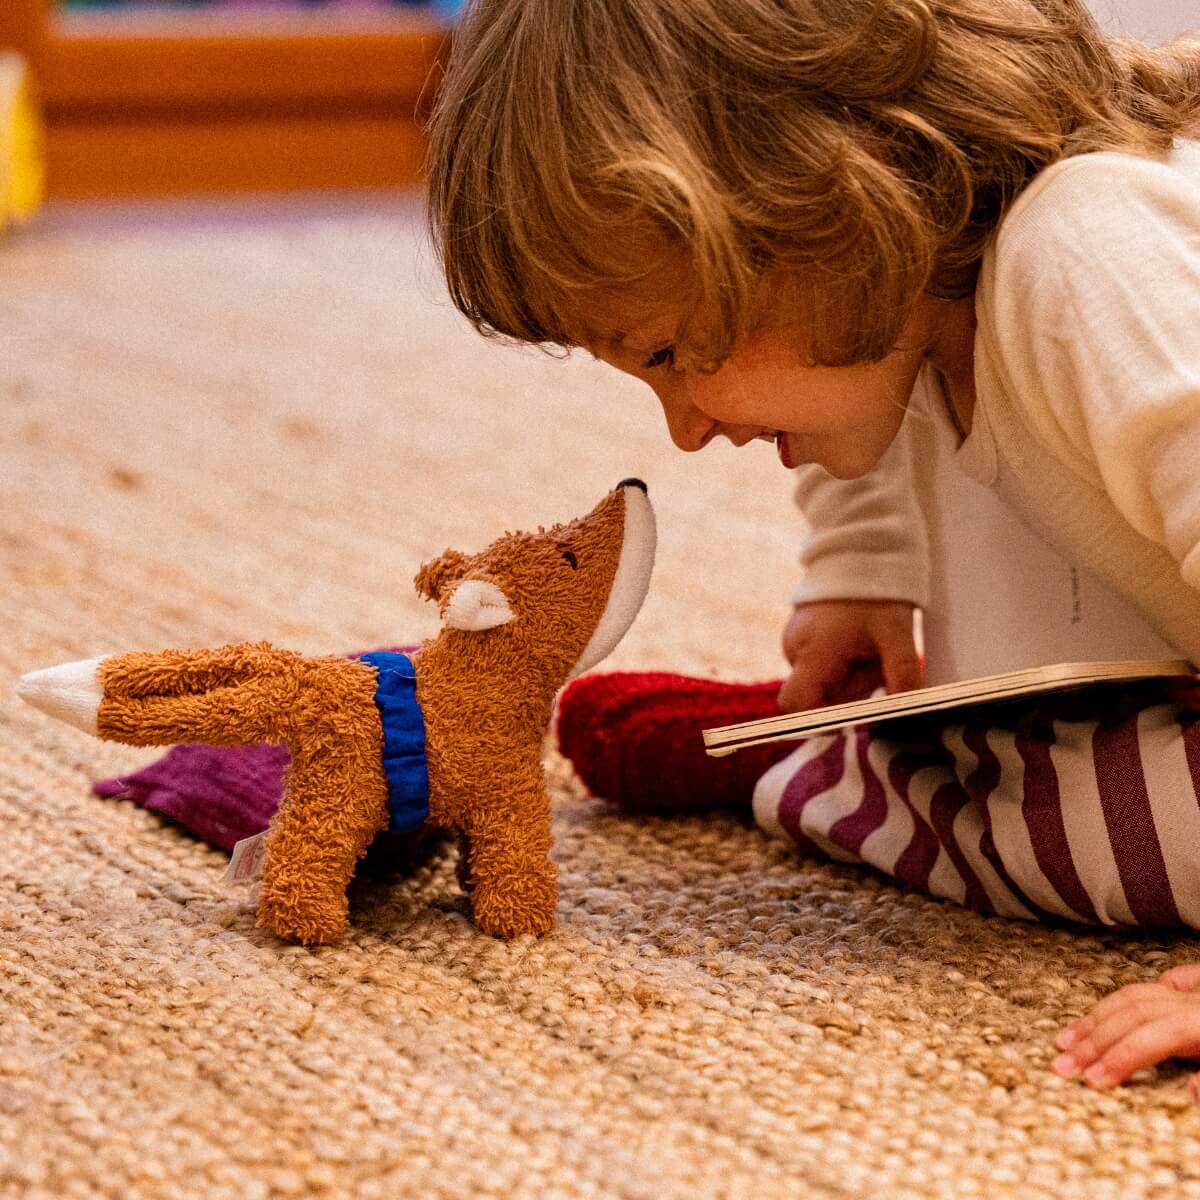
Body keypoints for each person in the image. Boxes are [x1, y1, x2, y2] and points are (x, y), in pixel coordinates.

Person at [425, 0, 1200, 1091]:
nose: (686, 428)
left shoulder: (1090, 251)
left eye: (671, 350)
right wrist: (861, 572)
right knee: (1032, 762)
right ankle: (846, 748)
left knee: (1095, 826)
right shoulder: (936, 275)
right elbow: (879, 392)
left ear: (830, 204)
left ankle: (804, 763)